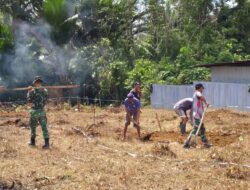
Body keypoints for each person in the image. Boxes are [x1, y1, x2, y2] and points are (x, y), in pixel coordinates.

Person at [183, 83, 212, 148]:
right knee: (196, 129)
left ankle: (205, 143)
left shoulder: (196, 95)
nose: (202, 90)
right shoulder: (197, 93)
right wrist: (206, 102)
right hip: (196, 115)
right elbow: (201, 96)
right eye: (202, 88)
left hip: (198, 115)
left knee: (202, 128)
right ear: (199, 88)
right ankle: (187, 143)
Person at [27, 76, 49, 149]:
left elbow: (29, 102)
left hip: (35, 112)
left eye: (38, 82)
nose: (38, 84)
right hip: (41, 112)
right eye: (37, 82)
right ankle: (46, 144)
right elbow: (45, 101)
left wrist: (29, 91)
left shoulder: (31, 91)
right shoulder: (45, 91)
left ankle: (33, 142)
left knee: (34, 127)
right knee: (44, 127)